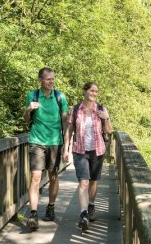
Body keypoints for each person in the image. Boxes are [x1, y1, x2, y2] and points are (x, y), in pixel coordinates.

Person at [63, 82, 112, 230]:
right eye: (91, 90)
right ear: (84, 91)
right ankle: (83, 214)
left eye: (96, 91)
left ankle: (91, 205)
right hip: (80, 150)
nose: (94, 93)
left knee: (93, 181)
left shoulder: (101, 109)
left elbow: (109, 131)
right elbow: (69, 131)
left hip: (97, 150)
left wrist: (107, 118)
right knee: (83, 181)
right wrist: (66, 149)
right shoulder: (76, 109)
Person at [24, 67, 68, 230]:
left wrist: (66, 145)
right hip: (36, 140)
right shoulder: (33, 95)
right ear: (40, 80)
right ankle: (33, 214)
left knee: (53, 175)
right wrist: (29, 109)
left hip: (55, 141)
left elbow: (65, 121)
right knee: (35, 176)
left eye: (53, 79)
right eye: (48, 79)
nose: (52, 81)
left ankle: (50, 207)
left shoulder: (60, 96)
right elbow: (26, 119)